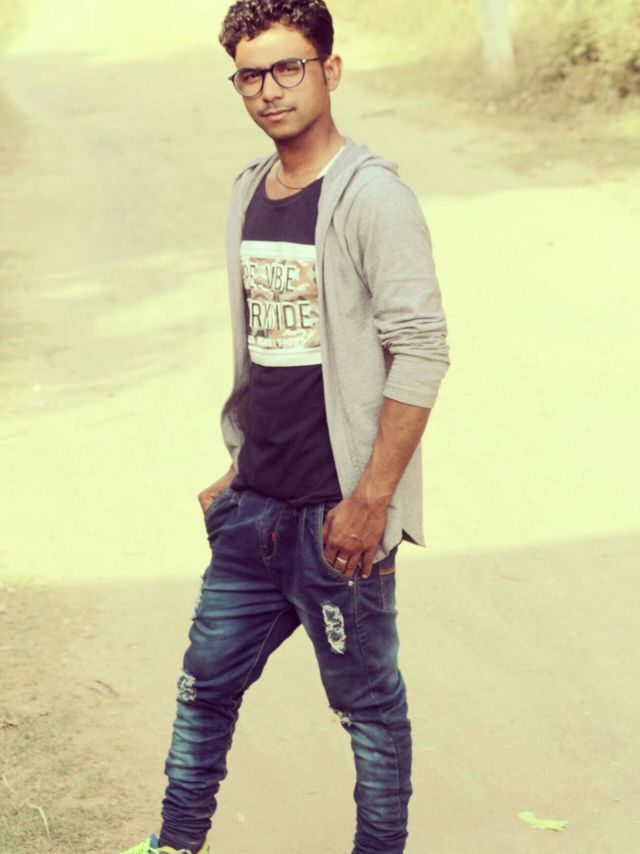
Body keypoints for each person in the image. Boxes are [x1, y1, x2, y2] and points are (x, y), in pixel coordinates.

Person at [119, 1, 449, 852]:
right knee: (202, 691)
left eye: (288, 68)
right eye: (249, 76)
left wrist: (370, 502)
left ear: (330, 70)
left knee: (369, 714)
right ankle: (175, 845)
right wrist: (238, 467)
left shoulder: (373, 198)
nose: (268, 90)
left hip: (337, 523)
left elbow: (421, 351)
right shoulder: (248, 191)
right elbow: (274, 351)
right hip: (254, 513)